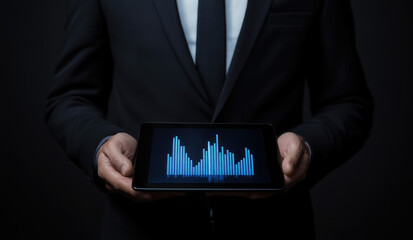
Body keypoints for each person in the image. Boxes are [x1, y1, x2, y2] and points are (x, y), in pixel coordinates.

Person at [46, 0, 373, 239]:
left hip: (274, 226)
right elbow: (70, 97)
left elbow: (348, 102)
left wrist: (307, 146)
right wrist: (101, 146)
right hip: (141, 228)